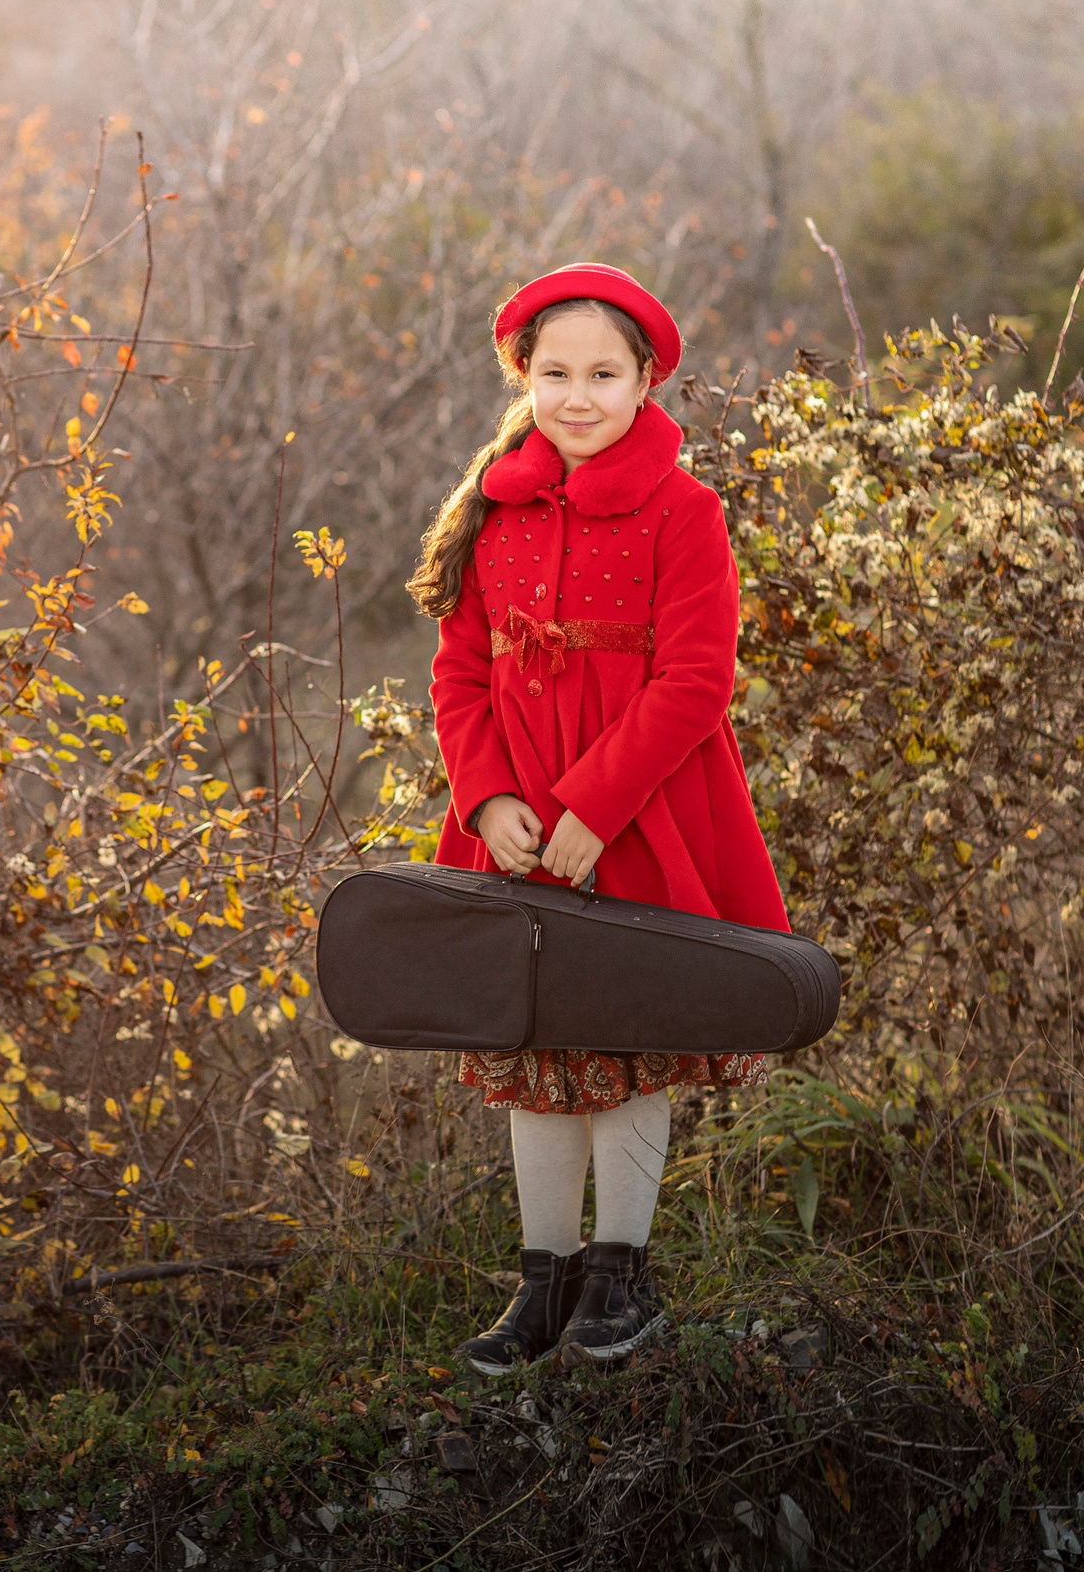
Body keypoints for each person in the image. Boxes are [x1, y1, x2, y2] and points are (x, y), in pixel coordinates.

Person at [407, 263, 790, 1375]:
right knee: (536, 1036)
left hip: (642, 811)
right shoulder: (493, 501)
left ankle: (620, 1269)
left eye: (603, 375)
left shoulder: (684, 509)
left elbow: (693, 681)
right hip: (517, 815)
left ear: (645, 380)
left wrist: (593, 807)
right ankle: (544, 1277)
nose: (577, 397)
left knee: (628, 1029)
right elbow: (458, 675)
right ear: (522, 376)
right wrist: (491, 797)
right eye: (555, 372)